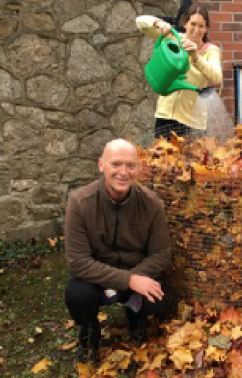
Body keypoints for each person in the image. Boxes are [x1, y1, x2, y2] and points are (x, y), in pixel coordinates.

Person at [64, 139, 171, 363]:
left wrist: (135, 278)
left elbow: (161, 253)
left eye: (130, 165)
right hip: (97, 277)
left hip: (137, 270)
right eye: (116, 164)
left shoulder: (152, 204)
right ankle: (89, 332)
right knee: (77, 295)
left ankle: (135, 316)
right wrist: (128, 280)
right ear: (101, 165)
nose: (123, 172)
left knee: (157, 297)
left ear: (139, 169)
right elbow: (77, 261)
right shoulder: (80, 203)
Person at [136, 5, 223, 139]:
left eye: (201, 26)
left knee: (191, 160)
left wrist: (196, 57)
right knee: (161, 159)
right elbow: (140, 21)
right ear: (185, 24)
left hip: (194, 124)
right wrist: (159, 24)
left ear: (206, 29)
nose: (196, 30)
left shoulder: (210, 51)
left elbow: (217, 77)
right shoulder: (174, 38)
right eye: (193, 24)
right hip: (166, 116)